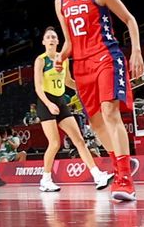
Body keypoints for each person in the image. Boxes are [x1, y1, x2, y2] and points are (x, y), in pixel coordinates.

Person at [55, 0, 143, 203]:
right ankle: (122, 163)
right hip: (81, 64)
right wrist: (62, 56)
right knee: (95, 124)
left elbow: (129, 19)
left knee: (109, 113)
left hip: (106, 57)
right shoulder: (60, 2)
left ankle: (125, 179)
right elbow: (70, 42)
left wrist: (136, 51)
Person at [32, 26, 113, 193]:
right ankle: (45, 179)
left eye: (54, 37)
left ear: (58, 41)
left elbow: (68, 81)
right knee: (54, 143)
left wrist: (83, 88)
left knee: (80, 141)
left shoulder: (64, 59)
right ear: (43, 42)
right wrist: (48, 104)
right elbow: (38, 87)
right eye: (48, 37)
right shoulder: (41, 60)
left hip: (61, 102)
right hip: (46, 102)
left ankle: (97, 176)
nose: (52, 39)